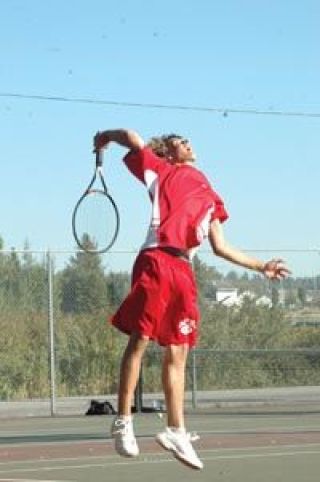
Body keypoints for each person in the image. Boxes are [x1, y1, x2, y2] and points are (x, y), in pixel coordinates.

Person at [93, 129, 290, 470]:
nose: (188, 142)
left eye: (188, 139)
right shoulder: (160, 170)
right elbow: (132, 137)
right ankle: (123, 420)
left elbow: (220, 246)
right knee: (141, 338)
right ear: (168, 152)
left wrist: (262, 266)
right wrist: (104, 138)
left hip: (184, 268)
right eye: (180, 140)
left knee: (179, 349)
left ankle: (176, 430)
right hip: (156, 257)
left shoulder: (210, 192)